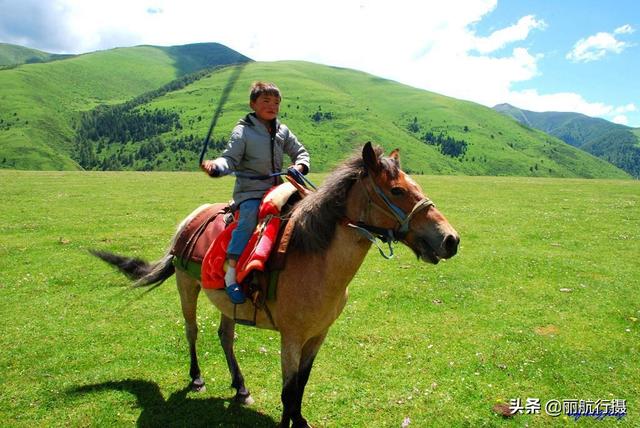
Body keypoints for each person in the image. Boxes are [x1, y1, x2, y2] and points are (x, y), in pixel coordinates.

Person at [201, 81, 310, 304]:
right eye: (266, 101)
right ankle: (231, 274)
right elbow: (229, 159)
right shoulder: (242, 131)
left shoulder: (282, 130)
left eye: (277, 102)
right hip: (250, 191)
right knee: (249, 219)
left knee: (308, 211)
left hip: (278, 189)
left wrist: (299, 167)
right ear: (253, 104)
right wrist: (216, 167)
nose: (273, 106)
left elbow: (300, 152)